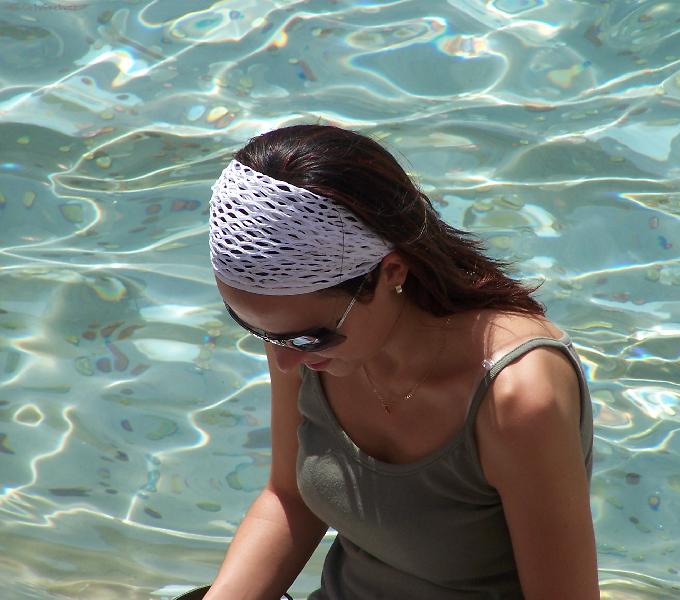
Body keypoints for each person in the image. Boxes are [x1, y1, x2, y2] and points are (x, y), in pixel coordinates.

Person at [203, 125, 598, 600]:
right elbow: (289, 500)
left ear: (391, 271)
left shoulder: (516, 397)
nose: (287, 362)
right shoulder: (301, 332)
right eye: (257, 330)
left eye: (306, 337)